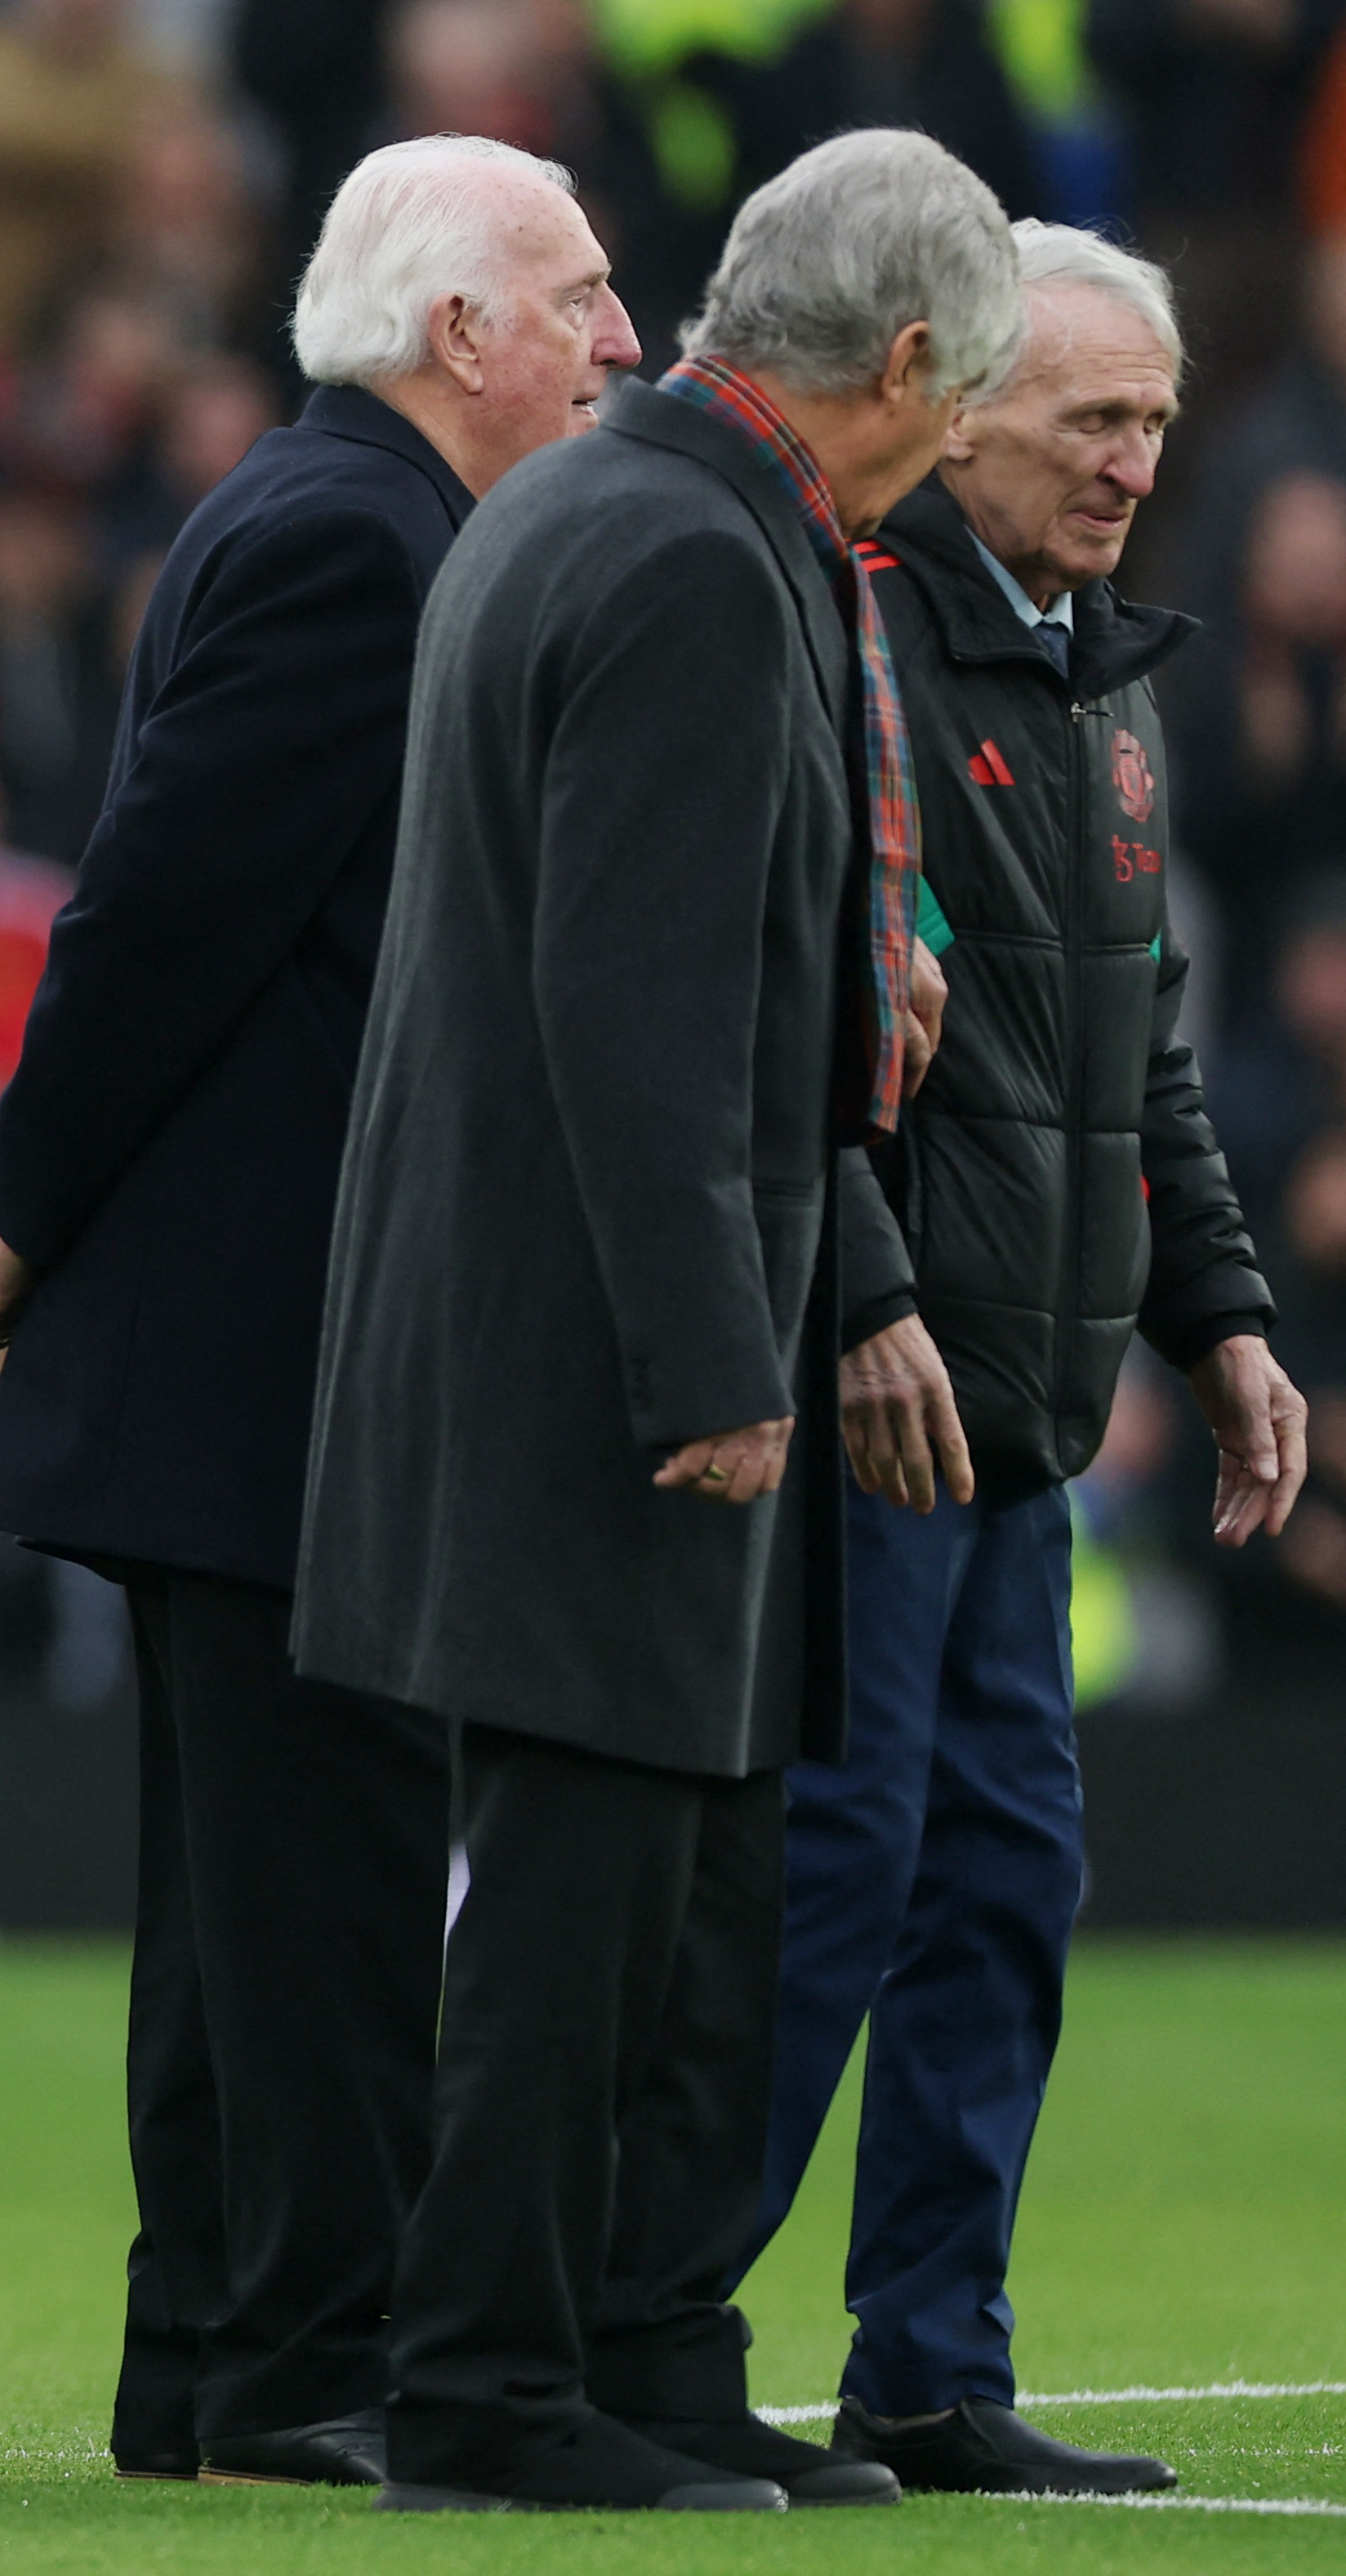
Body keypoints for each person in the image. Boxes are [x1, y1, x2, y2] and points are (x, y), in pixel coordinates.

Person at [289, 129, 1020, 2513]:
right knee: (588, 1894)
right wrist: (718, 1351)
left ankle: (641, 2352)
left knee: (686, 1878)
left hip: (549, 1318)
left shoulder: (591, 508)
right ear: (899, 362)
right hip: (596, 1357)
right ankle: (495, 2390)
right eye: (966, 397)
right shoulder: (699, 562)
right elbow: (642, 1005)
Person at [0, 134, 642, 2489]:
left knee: (250, 1890)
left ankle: (215, 2365)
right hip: (272, 1343)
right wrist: (22, 1197)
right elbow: (162, 909)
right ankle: (305, 2361)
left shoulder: (335, 512)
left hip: (248, 1332)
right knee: (314, 1882)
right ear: (459, 332)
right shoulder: (357, 540)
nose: (621, 339)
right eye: (582, 294)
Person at [748, 224, 1306, 2498]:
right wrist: (860, 1286)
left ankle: (927, 2359)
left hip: (1023, 1413)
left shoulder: (1101, 685)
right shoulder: (852, 643)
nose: (1133, 462)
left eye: (1157, 422)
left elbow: (1135, 1067)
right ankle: (634, 2325)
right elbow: (795, 1034)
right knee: (836, 1860)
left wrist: (1229, 1313)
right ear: (954, 405)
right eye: (1092, 418)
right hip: (869, 1395)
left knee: (996, 1875)